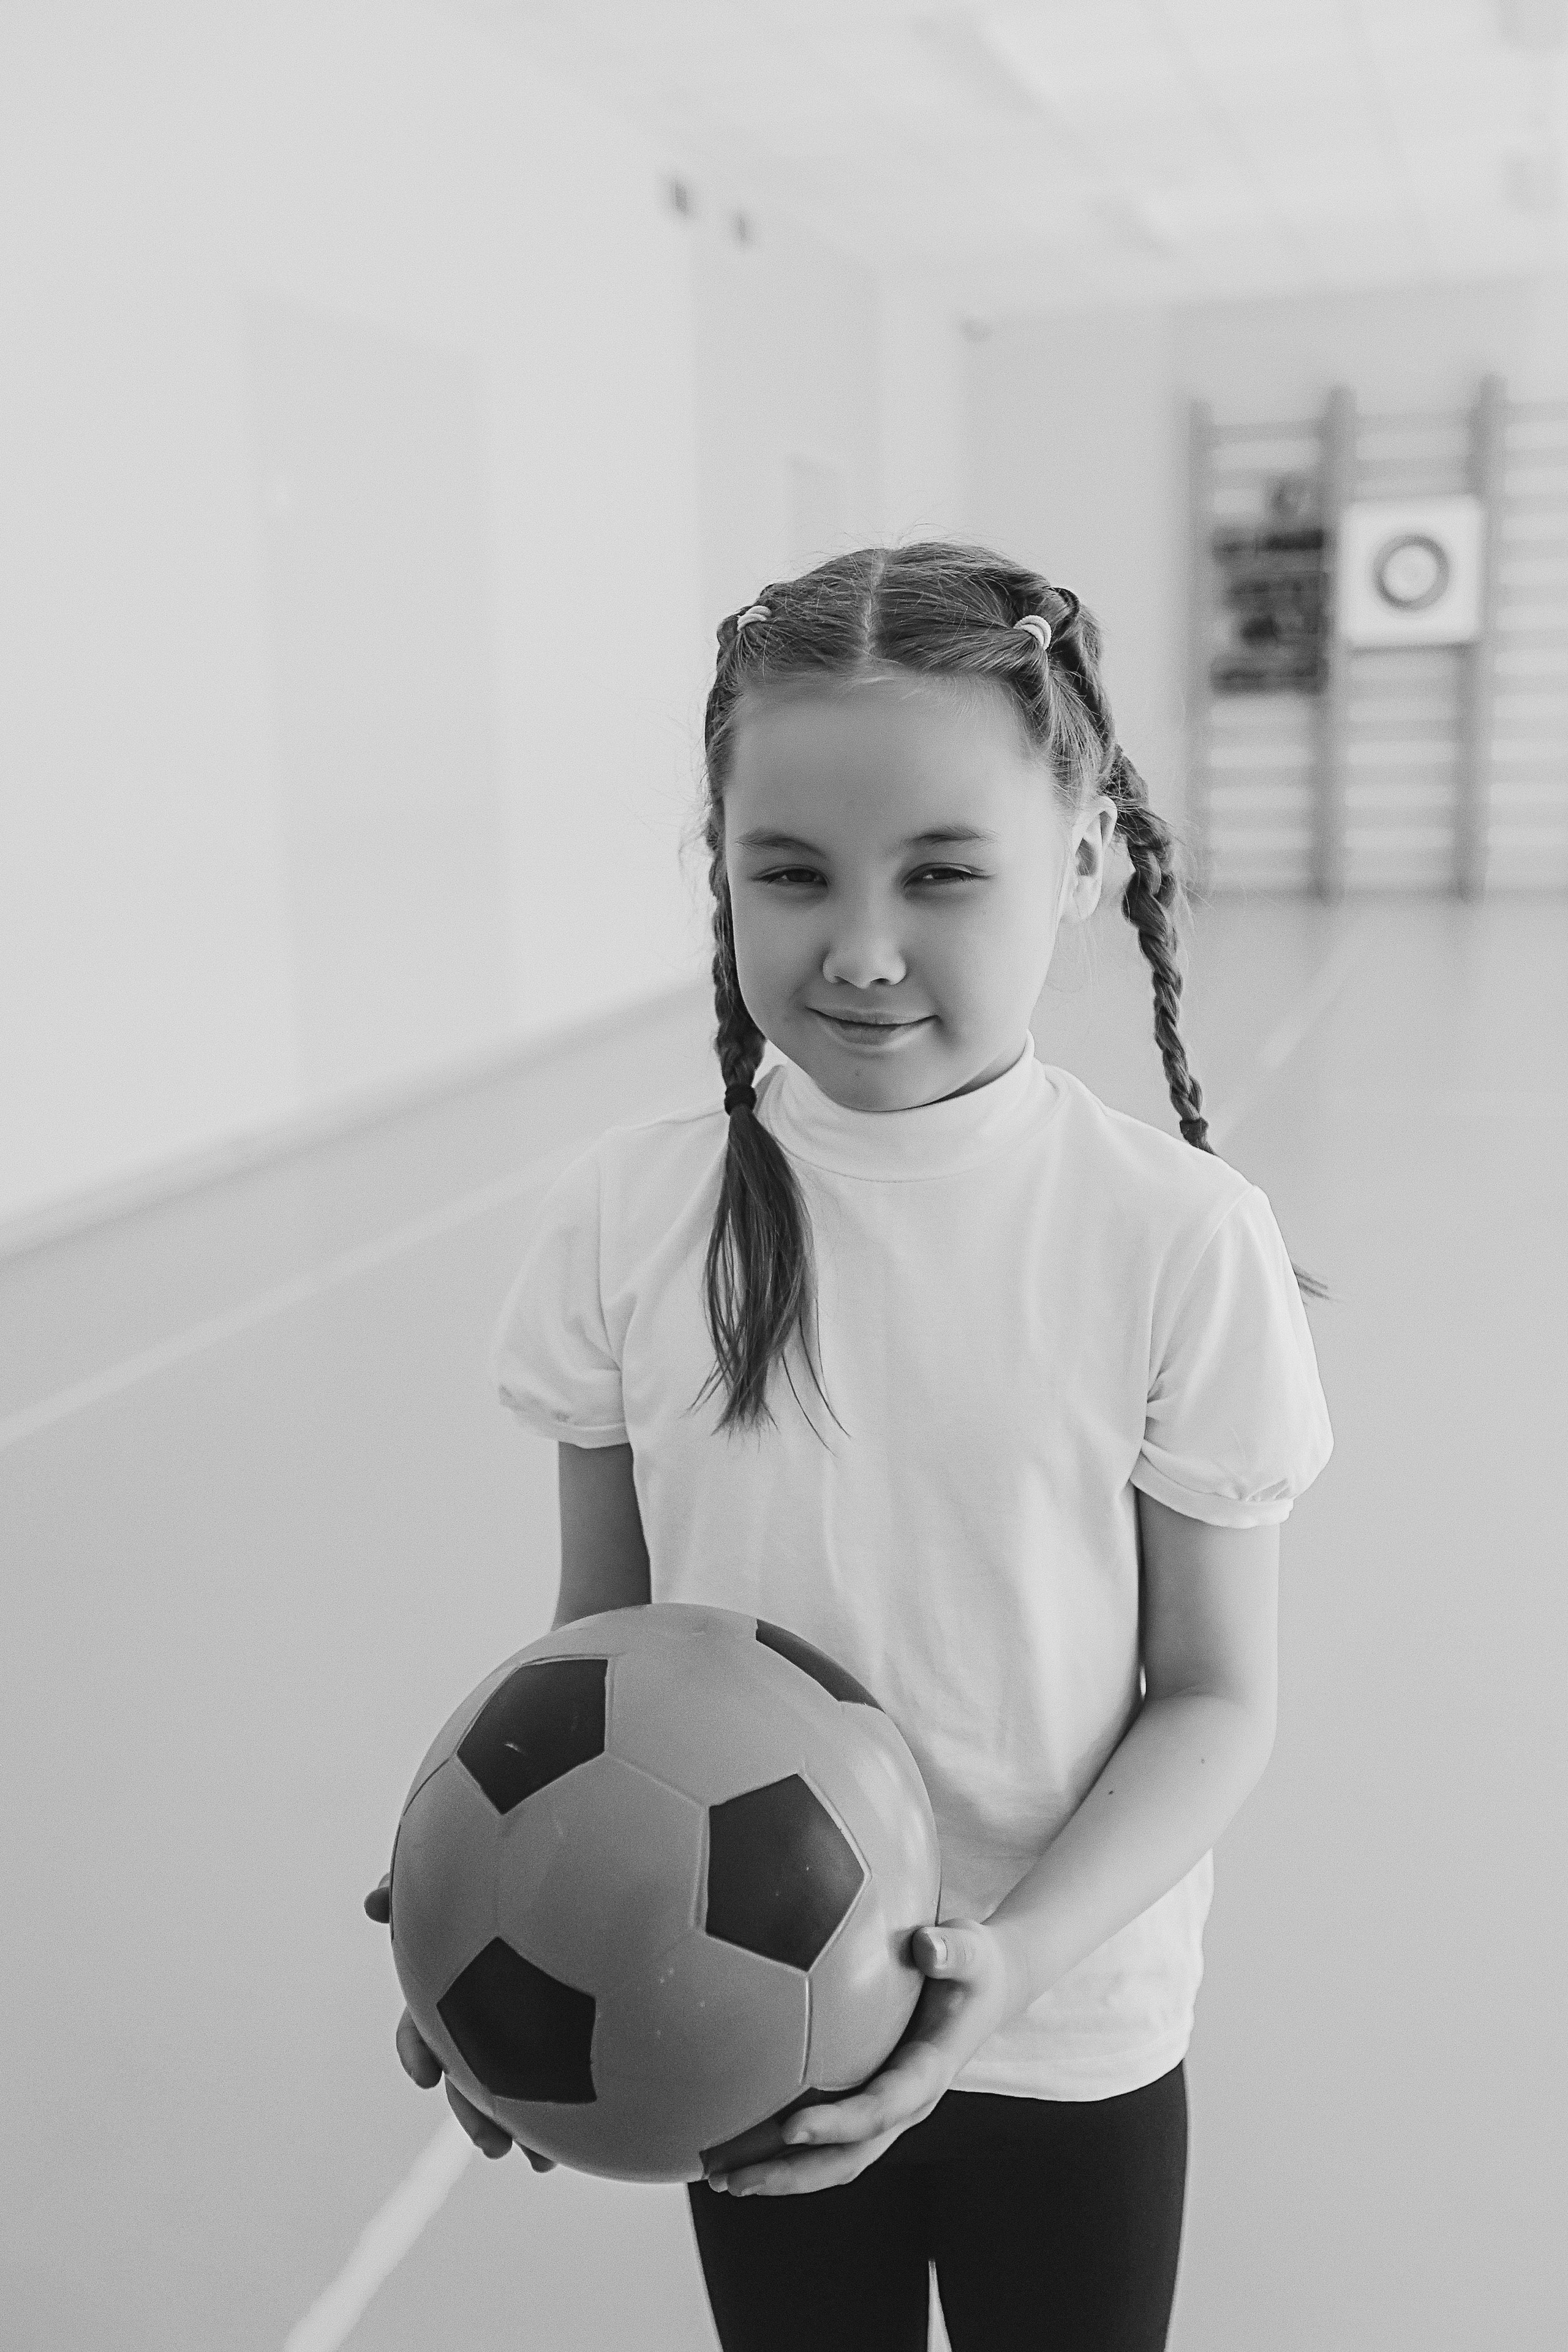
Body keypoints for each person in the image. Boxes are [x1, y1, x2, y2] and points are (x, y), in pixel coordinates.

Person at [366, 541, 1335, 2351]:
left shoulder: (1177, 1236)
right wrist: (491, 1907)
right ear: (717, 878)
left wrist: (1010, 1964)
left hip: (1066, 2034)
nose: (864, 948)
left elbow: (1216, 1695)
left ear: (1082, 864)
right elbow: (603, 1636)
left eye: (944, 875)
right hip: (732, 2046)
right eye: (790, 874)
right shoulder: (630, 1216)